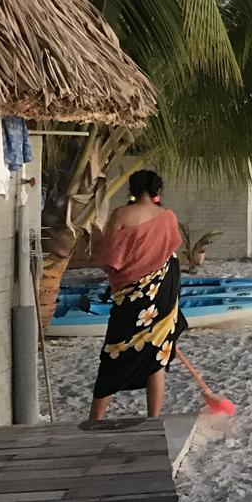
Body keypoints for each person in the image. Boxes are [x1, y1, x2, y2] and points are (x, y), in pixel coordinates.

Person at [89, 169, 188, 421]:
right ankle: (153, 417)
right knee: (157, 355)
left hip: (133, 296)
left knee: (115, 350)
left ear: (132, 190)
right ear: (158, 191)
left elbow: (110, 260)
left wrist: (97, 239)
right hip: (163, 292)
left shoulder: (121, 215)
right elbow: (170, 253)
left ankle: (96, 419)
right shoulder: (168, 216)